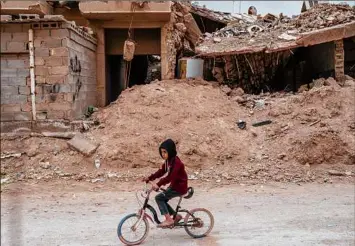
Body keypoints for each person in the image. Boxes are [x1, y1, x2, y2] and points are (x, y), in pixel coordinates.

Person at [142, 139, 188, 227]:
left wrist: (158, 184)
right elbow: (161, 172)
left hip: (179, 187)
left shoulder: (177, 163)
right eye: (161, 152)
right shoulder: (168, 161)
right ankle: (176, 216)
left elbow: (170, 177)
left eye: (165, 152)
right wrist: (149, 178)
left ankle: (169, 219)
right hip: (174, 186)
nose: (163, 154)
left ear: (170, 151)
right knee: (163, 198)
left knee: (159, 198)